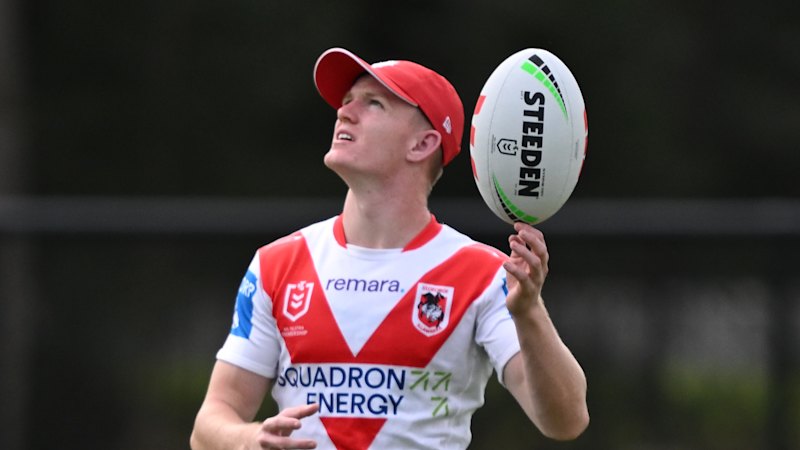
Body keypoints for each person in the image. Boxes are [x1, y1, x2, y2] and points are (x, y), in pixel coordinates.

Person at [190, 47, 588, 450]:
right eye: (346, 102)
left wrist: (529, 312)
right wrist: (249, 439)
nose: (345, 112)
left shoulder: (482, 273)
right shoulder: (277, 264)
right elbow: (210, 423)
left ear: (422, 144)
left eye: (373, 103)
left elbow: (567, 420)